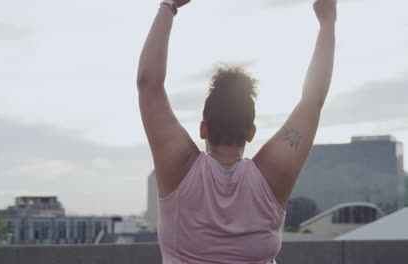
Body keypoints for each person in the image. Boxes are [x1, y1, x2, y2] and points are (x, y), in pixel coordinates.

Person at [137, 0, 337, 263]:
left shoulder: (179, 169)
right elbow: (313, 99)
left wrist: (169, 6)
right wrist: (327, 22)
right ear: (250, 132)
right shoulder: (271, 177)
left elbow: (148, 84)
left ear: (203, 129)